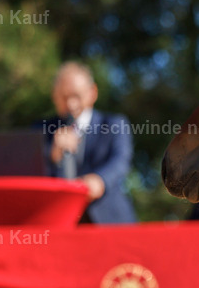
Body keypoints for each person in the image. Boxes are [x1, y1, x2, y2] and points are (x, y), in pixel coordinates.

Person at [43, 61, 136, 224]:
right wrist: (53, 154)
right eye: (64, 97)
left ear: (92, 92)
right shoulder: (43, 130)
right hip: (60, 221)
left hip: (109, 221)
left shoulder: (114, 124)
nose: (71, 104)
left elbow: (121, 160)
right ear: (54, 96)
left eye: (76, 96)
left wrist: (100, 180)